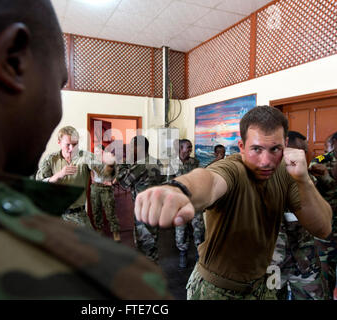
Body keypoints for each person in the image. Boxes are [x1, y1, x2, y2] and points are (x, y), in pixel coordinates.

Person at [0, 0, 172, 299]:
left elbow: (104, 171)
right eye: (59, 84)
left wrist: (110, 165)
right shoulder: (116, 282)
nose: (58, 108)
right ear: (14, 62)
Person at [134, 106, 332, 300]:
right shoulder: (233, 169)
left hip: (261, 285)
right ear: (242, 147)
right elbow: (209, 181)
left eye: (275, 149)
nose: (266, 161)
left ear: (285, 144)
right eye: (256, 149)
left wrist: (303, 179)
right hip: (217, 289)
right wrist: (179, 189)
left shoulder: (286, 172)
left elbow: (323, 228)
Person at [270, 131, 326, 300]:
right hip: (272, 261)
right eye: (304, 146)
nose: (307, 149)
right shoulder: (264, 175)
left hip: (305, 258)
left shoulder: (307, 177)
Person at [116, 136, 165, 263]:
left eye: (132, 147)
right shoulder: (157, 161)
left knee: (146, 245)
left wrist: (122, 162)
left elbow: (123, 182)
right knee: (151, 241)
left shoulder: (141, 165)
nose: (131, 150)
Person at [36, 126, 94, 228]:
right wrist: (58, 175)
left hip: (78, 215)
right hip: (55, 215)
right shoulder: (51, 159)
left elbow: (102, 171)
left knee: (90, 243)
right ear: (59, 142)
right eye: (68, 145)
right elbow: (39, 185)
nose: (71, 148)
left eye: (75, 144)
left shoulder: (85, 157)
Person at [309, 131, 337, 299]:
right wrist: (327, 178)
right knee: (325, 277)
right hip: (327, 233)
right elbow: (310, 193)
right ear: (334, 144)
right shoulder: (321, 162)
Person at [170, 139, 202, 269]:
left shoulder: (195, 162)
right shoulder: (171, 163)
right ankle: (183, 253)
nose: (190, 149)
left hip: (195, 201)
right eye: (188, 147)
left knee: (199, 229)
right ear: (180, 148)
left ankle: (200, 255)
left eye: (191, 147)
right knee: (180, 230)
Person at [90, 144, 121, 242]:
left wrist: (112, 182)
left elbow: (118, 173)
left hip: (106, 189)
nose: (96, 153)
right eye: (95, 152)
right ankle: (99, 229)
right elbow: (91, 170)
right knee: (96, 210)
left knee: (110, 211)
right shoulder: (93, 161)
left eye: (99, 151)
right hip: (95, 188)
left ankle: (115, 232)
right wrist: (92, 179)